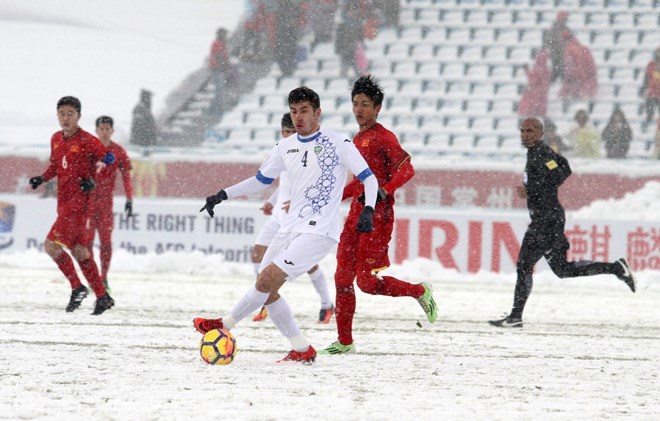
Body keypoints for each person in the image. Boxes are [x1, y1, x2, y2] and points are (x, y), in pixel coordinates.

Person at [193, 86, 379, 363]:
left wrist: (369, 209)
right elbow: (260, 180)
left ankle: (224, 324)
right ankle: (302, 349)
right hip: (289, 227)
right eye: (294, 112)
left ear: (318, 113)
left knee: (267, 280)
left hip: (319, 231)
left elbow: (369, 177)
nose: (298, 117)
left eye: (304, 111)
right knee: (266, 290)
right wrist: (223, 194)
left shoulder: (338, 143)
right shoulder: (284, 147)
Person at [319, 75, 437, 355]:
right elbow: (361, 181)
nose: (359, 109)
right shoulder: (358, 139)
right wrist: (333, 197)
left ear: (377, 108)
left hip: (377, 218)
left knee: (368, 283)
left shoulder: (384, 138)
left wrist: (385, 189)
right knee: (341, 278)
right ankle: (344, 341)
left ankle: (419, 291)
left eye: (365, 104)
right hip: (356, 215)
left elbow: (407, 170)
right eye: (355, 103)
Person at [489, 118, 636, 328]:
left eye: (529, 130)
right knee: (563, 270)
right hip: (549, 219)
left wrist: (532, 189)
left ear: (540, 133)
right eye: (522, 130)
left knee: (524, 264)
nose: (524, 134)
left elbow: (560, 172)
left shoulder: (542, 152)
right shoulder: (536, 152)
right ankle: (616, 268)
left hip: (546, 221)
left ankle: (515, 317)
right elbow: (564, 166)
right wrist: (535, 188)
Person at [29, 96, 116, 315]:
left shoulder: (87, 140)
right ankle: (102, 296)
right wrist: (42, 178)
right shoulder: (56, 138)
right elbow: (56, 166)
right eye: (62, 113)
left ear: (79, 116)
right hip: (64, 201)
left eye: (70, 114)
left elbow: (110, 159)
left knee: (51, 246)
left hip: (78, 204)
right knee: (79, 251)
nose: (65, 118)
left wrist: (94, 179)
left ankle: (77, 287)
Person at [251, 113, 334, 324]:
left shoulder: (305, 154)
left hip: (297, 218)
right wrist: (271, 200)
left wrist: (300, 202)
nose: (288, 135)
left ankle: (326, 304)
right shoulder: (283, 151)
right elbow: (283, 184)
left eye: (291, 132)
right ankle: (265, 298)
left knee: (306, 265)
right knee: (257, 253)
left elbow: (313, 186)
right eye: (285, 132)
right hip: (279, 216)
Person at [89, 116, 134, 292]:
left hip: (106, 204)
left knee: (106, 243)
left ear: (112, 131)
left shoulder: (118, 151)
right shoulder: (89, 149)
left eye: (107, 128)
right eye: (101, 128)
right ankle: (93, 278)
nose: (104, 131)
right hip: (88, 203)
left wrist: (129, 199)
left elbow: (126, 176)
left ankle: (103, 277)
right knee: (87, 243)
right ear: (96, 130)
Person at [559, 33, 598, 112]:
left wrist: (569, 78)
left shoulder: (569, 50)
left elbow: (569, 67)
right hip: (586, 77)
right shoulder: (584, 48)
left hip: (576, 78)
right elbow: (591, 64)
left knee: (573, 100)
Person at [518, 32, 551, 119]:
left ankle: (532, 113)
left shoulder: (539, 68)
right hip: (543, 91)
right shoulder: (546, 69)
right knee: (541, 103)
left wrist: (526, 70)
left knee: (531, 103)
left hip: (535, 91)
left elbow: (532, 78)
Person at [208, 28, 230, 114]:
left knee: (219, 90)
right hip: (217, 69)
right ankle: (218, 109)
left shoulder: (220, 43)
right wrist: (223, 66)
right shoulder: (217, 44)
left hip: (218, 68)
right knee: (219, 90)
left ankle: (214, 108)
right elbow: (218, 57)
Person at [639, 47, 660, 131]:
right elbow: (646, 79)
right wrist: (643, 88)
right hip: (653, 93)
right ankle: (648, 121)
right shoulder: (651, 65)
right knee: (650, 106)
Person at [547, 11, 571, 83]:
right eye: (563, 19)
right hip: (556, 54)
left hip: (564, 55)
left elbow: (570, 40)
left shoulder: (566, 29)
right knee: (557, 69)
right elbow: (550, 41)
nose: (565, 20)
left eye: (565, 19)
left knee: (563, 70)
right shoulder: (554, 29)